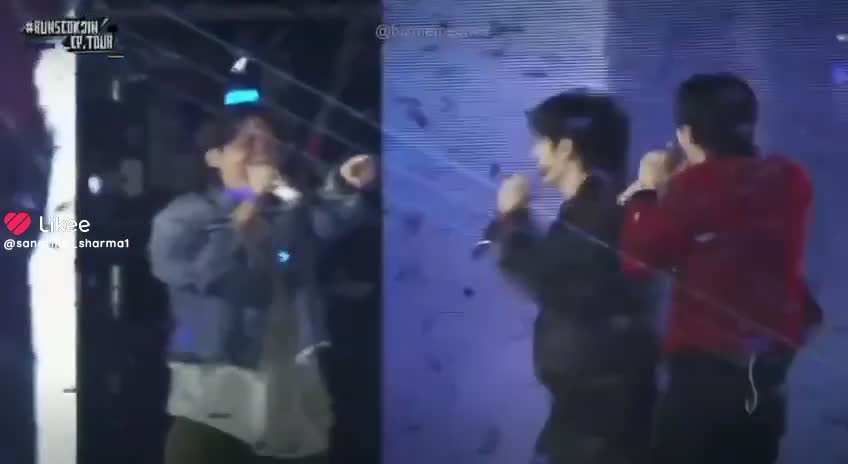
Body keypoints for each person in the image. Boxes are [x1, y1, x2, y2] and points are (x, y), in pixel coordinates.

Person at [148, 104, 377, 464]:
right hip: (216, 393)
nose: (261, 151)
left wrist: (344, 182)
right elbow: (198, 274)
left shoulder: (286, 210)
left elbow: (325, 220)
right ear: (214, 156)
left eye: (269, 143)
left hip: (291, 394)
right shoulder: (183, 216)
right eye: (247, 142)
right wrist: (247, 207)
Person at [618, 72, 823, 464]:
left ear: (686, 134)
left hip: (702, 386)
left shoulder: (693, 188)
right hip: (766, 380)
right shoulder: (789, 178)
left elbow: (639, 259)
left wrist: (646, 191)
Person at [484, 90, 659, 464]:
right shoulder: (599, 204)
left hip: (600, 418)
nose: (535, 154)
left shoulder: (597, 208)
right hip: (594, 409)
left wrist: (512, 219)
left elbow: (554, 281)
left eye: (540, 142)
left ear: (565, 147)